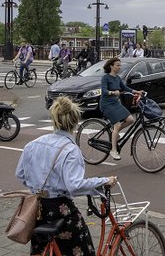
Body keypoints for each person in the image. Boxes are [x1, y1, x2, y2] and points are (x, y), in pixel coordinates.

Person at [15, 97, 117, 255]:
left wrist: (38, 183)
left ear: (54, 120)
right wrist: (104, 181)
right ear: (76, 121)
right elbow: (74, 186)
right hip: (60, 210)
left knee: (41, 249)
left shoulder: (33, 144)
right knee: (82, 249)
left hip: (38, 209)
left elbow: (20, 174)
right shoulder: (70, 150)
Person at [99, 57, 143, 160]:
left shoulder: (117, 78)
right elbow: (104, 91)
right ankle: (113, 150)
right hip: (107, 104)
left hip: (116, 103)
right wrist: (113, 92)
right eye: (117, 65)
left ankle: (115, 132)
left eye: (120, 65)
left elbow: (125, 88)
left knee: (130, 120)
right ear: (111, 66)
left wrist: (137, 92)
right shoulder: (105, 78)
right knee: (117, 125)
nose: (119, 67)